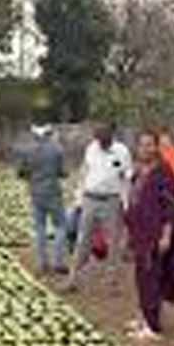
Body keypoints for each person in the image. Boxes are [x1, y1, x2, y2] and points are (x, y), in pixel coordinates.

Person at [124, 130, 174, 340]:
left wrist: (166, 235)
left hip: (155, 234)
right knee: (141, 277)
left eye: (149, 145)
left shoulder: (163, 172)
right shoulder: (139, 171)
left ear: (157, 148)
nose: (145, 149)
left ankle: (152, 326)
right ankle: (143, 316)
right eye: (141, 145)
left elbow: (171, 206)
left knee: (151, 277)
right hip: (140, 233)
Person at [63, 122, 132, 291]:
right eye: (98, 139)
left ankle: (111, 281)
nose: (100, 142)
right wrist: (78, 200)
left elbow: (127, 176)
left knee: (113, 242)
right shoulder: (91, 149)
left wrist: (126, 203)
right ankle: (73, 278)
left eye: (103, 139)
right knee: (83, 240)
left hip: (111, 200)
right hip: (90, 199)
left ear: (111, 136)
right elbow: (84, 174)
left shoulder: (121, 151)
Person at [17, 123, 68, 275]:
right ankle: (58, 262)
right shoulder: (57, 149)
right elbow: (62, 172)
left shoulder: (26, 150)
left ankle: (42, 263)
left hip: (35, 192)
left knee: (40, 227)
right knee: (60, 225)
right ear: (48, 134)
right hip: (53, 192)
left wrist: (32, 177)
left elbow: (21, 173)